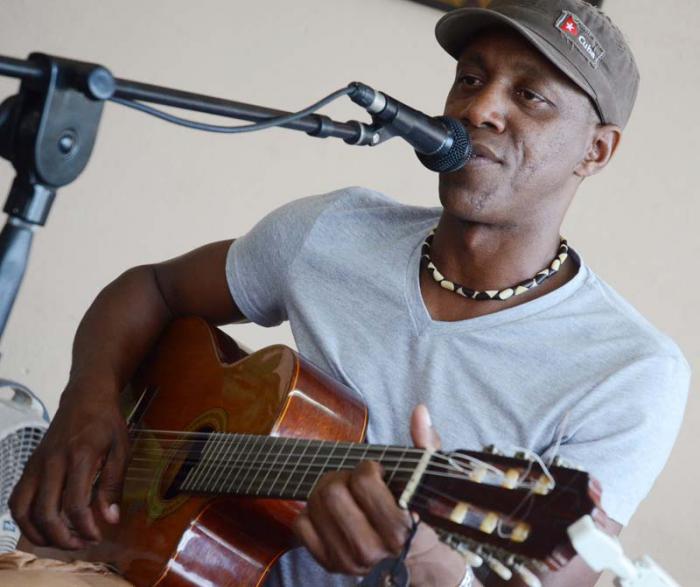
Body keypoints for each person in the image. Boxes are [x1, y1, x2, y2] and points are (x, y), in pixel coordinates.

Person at [8, 0, 690, 586]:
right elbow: (151, 288)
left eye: (530, 96)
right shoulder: (334, 229)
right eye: (470, 78)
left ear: (596, 151)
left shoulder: (630, 370)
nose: (480, 107)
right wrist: (87, 403)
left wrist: (423, 559)